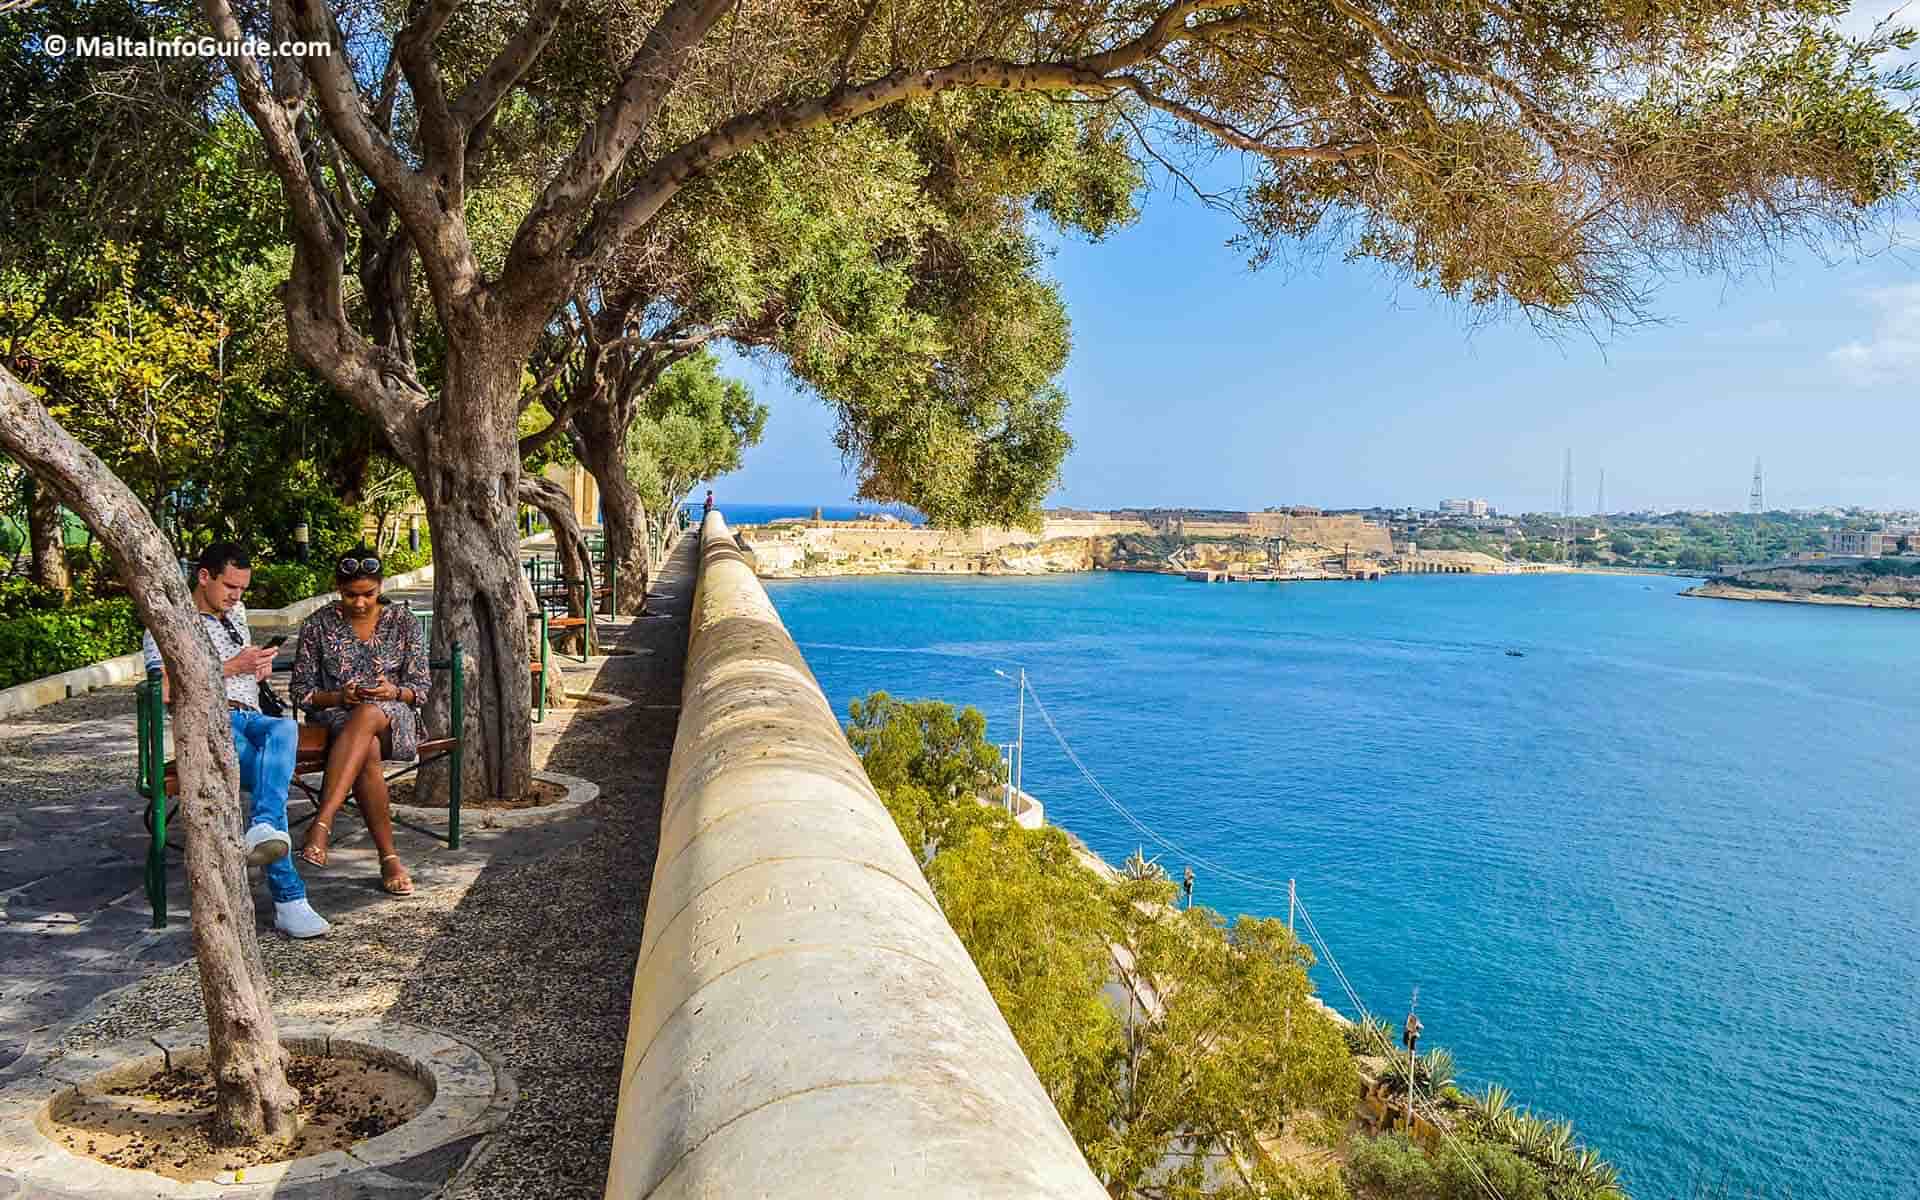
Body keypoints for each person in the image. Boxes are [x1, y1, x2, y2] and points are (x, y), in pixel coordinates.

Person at [142, 542, 330, 939]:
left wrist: (255, 670)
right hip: (210, 722)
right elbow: (164, 691)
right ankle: (290, 900)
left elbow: (242, 674)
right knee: (270, 783)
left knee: (285, 729)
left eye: (243, 589)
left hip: (252, 715)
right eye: (230, 586)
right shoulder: (168, 623)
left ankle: (262, 826)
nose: (236, 596)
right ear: (204, 576)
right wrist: (232, 668)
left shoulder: (236, 613)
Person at [290, 548, 430, 897]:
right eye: (351, 594)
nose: (360, 602)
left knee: (368, 714)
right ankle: (389, 859)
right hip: (339, 720)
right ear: (339, 588)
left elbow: (421, 689)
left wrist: (392, 691)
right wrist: (340, 697)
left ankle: (322, 823)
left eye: (368, 594)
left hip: (395, 719)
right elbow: (300, 692)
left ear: (380, 586)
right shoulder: (317, 625)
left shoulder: (403, 622)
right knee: (363, 742)